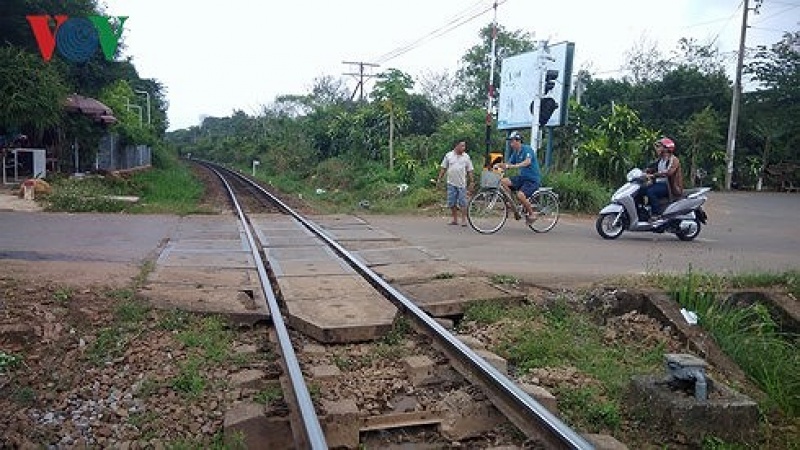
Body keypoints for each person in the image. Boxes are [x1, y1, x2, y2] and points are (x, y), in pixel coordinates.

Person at [497, 131, 541, 224]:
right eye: (510, 141)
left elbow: (527, 162)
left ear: (518, 141)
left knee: (520, 195)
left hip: (532, 179)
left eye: (512, 141)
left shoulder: (527, 149)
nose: (511, 144)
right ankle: (513, 205)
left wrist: (515, 166)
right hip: (522, 178)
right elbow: (508, 164)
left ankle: (532, 214)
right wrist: (499, 166)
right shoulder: (515, 153)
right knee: (503, 182)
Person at [436, 140, 475, 226]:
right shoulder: (448, 155)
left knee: (463, 203)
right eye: (462, 146)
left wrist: (472, 182)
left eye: (464, 146)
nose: (464, 148)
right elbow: (443, 168)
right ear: (456, 146)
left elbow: (470, 170)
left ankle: (464, 220)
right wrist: (439, 179)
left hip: (462, 184)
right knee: (451, 202)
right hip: (451, 183)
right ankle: (455, 219)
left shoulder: (466, 157)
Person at [643, 137, 683, 219]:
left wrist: (653, 175)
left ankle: (657, 214)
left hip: (669, 186)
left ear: (666, 148)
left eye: (659, 146)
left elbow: (668, 172)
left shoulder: (674, 160)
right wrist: (642, 172)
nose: (657, 149)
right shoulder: (660, 160)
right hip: (658, 184)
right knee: (641, 189)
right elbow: (651, 168)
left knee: (651, 192)